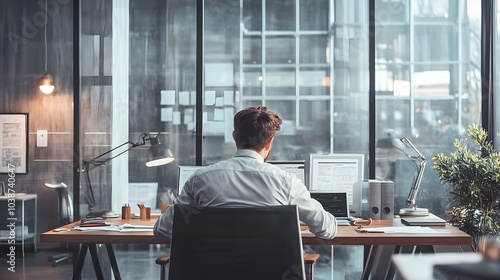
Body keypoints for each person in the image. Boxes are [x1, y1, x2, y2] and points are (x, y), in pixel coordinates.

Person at [153, 105, 337, 239]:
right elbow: (326, 230)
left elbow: (162, 230)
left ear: (235, 137)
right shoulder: (286, 183)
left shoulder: (200, 180)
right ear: (270, 142)